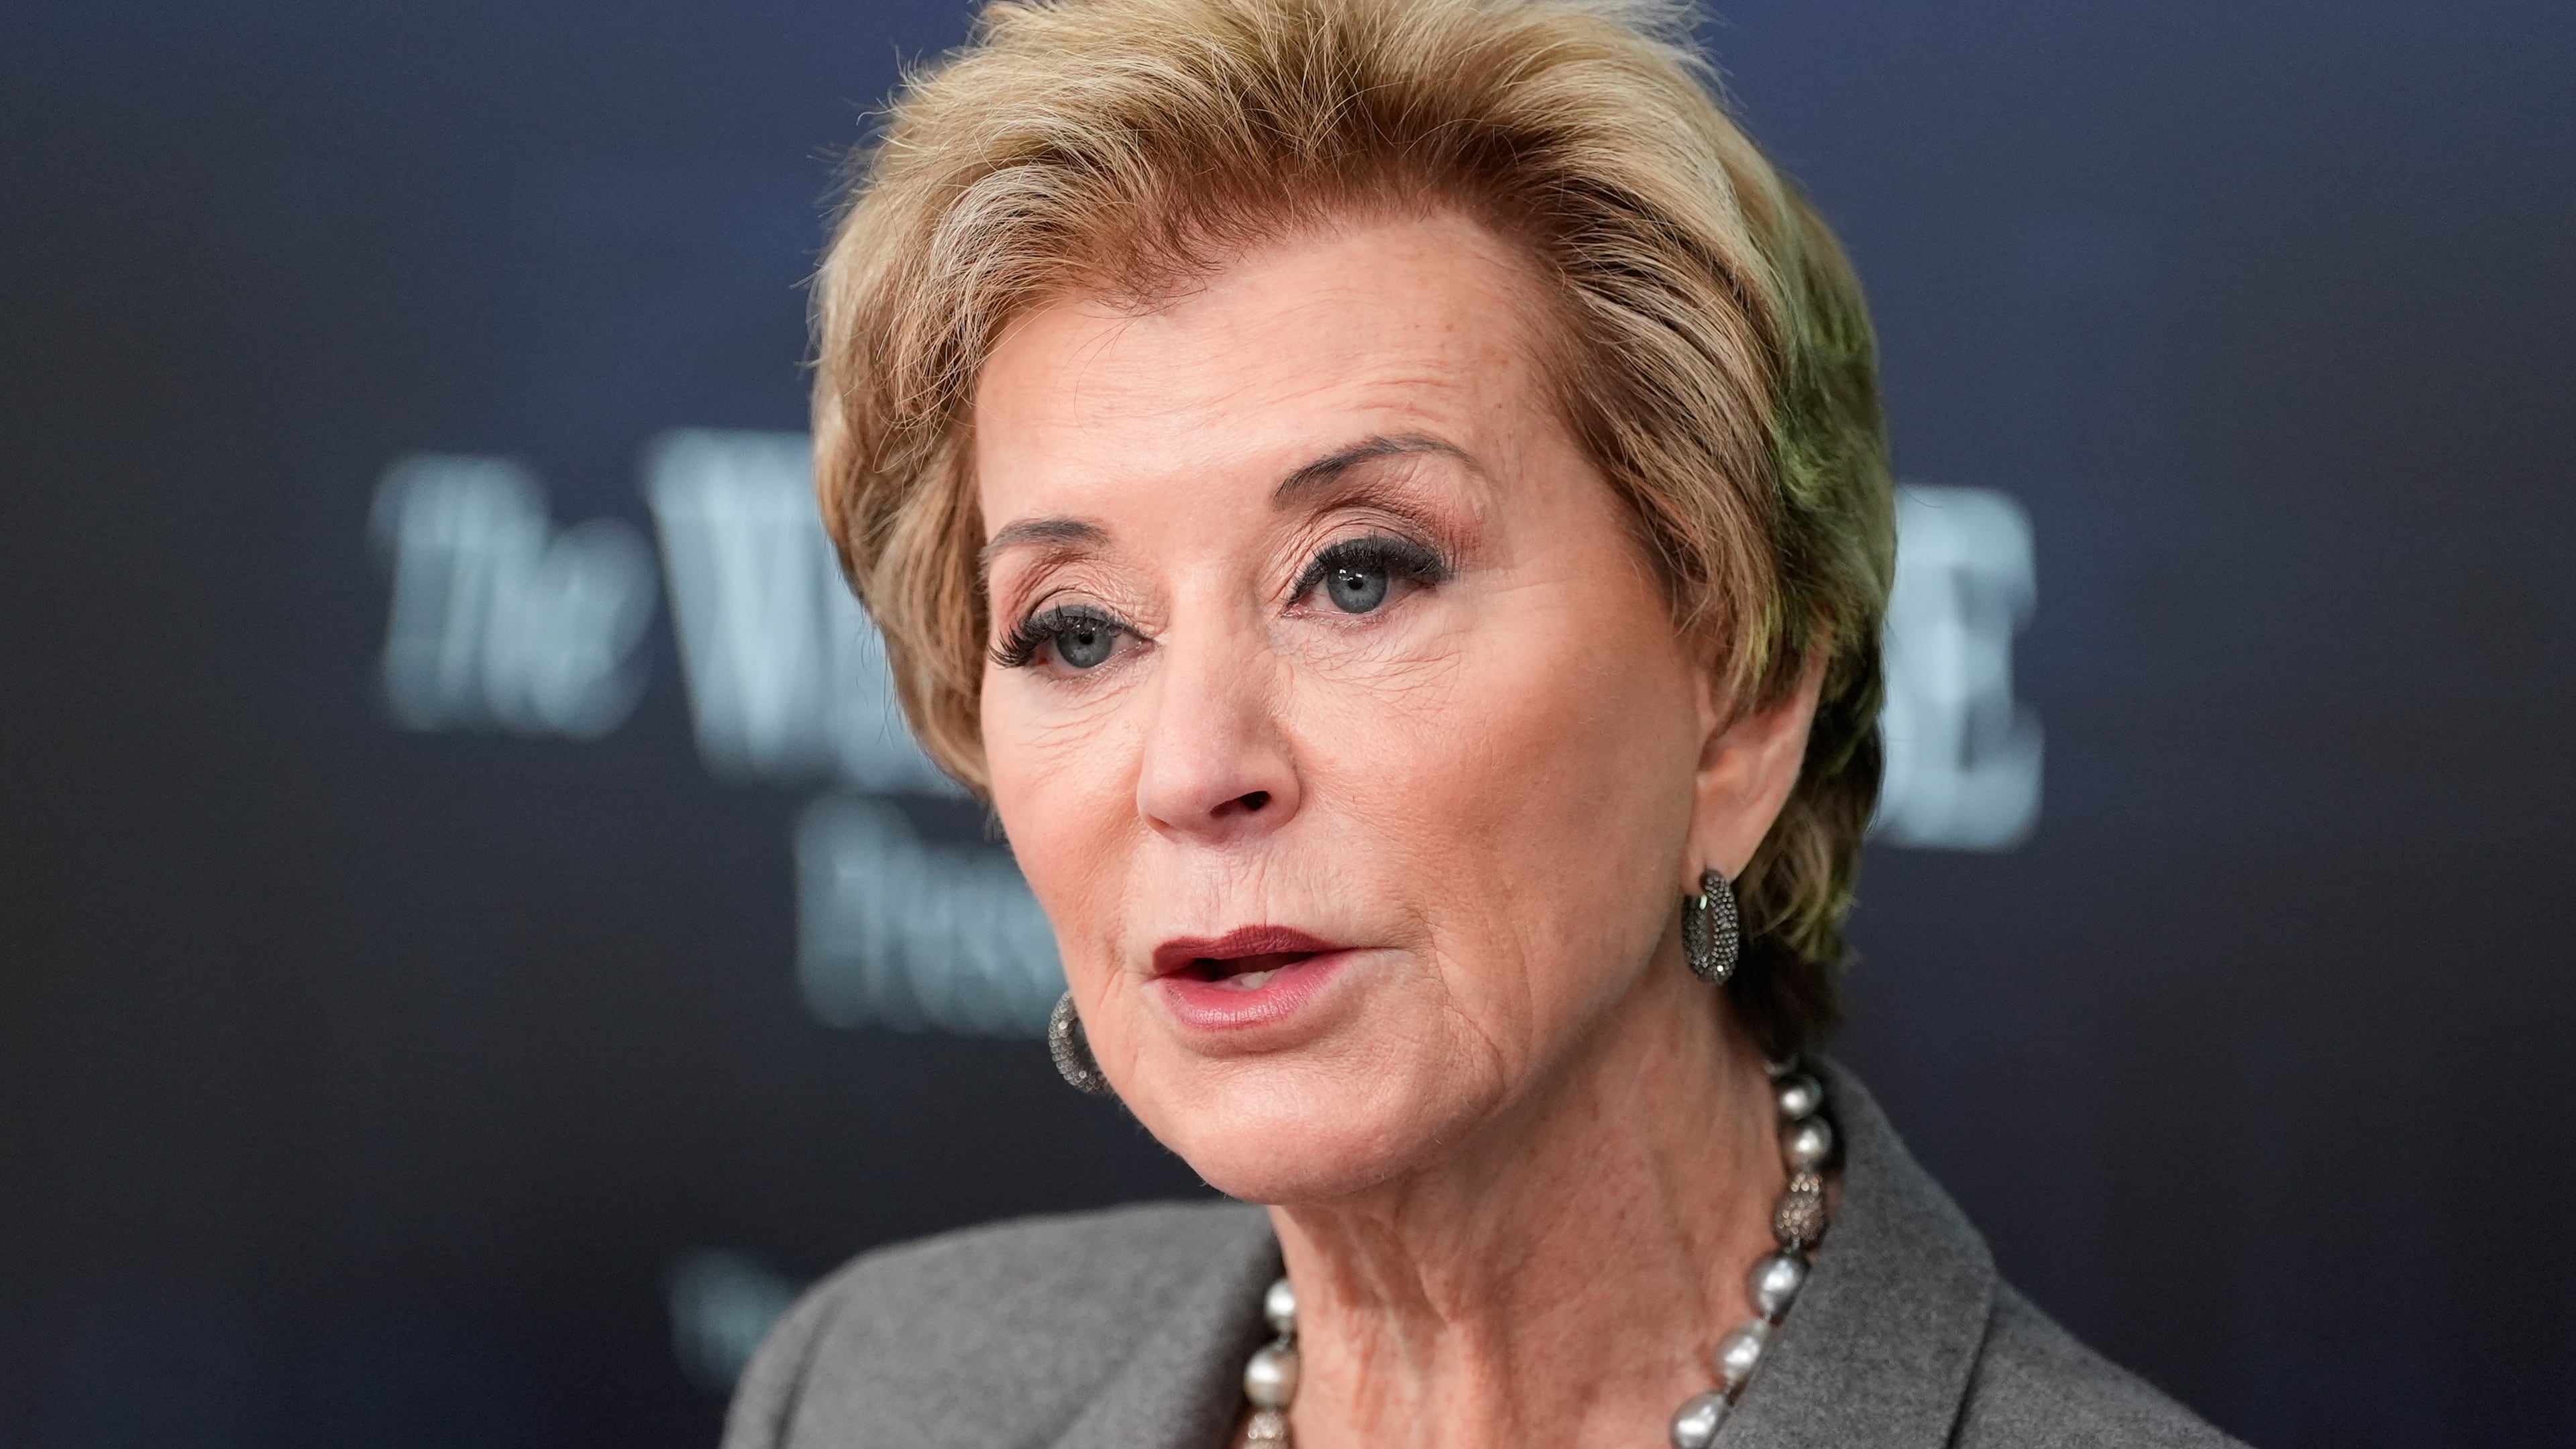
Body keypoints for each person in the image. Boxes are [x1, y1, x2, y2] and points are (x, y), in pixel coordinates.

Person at [728, 0, 2241, 1444]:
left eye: (1360, 576)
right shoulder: (868, 1394)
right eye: (1077, 630)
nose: (1194, 770)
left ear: (1741, 695)